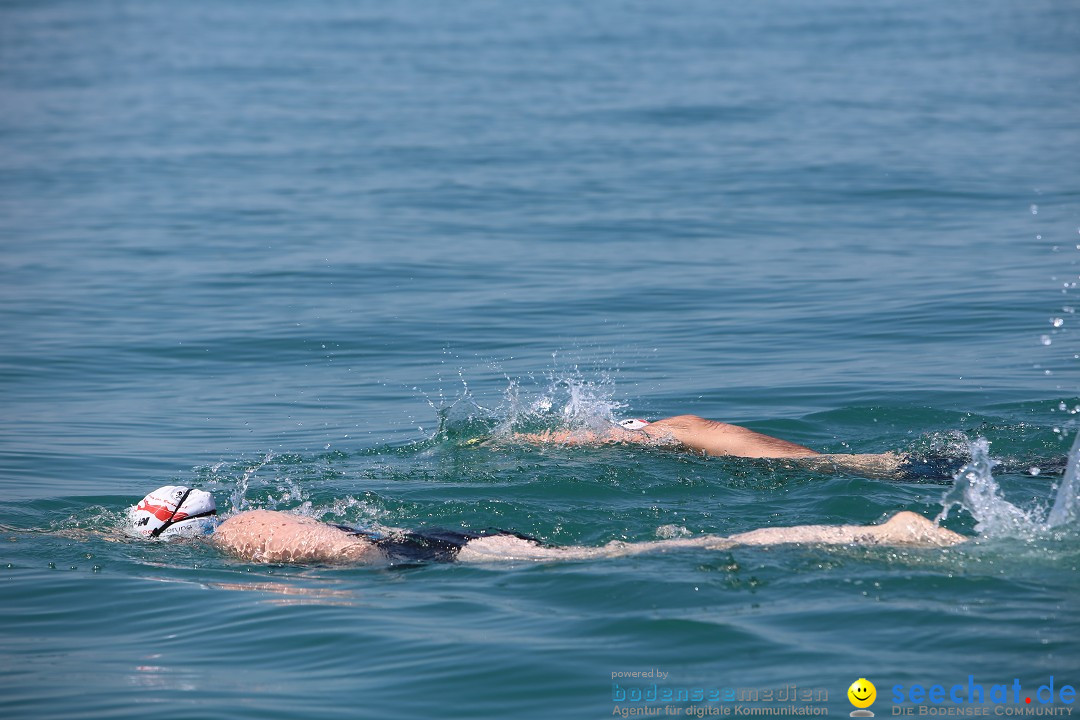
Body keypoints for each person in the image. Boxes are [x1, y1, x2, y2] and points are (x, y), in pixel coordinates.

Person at [130, 485, 966, 566]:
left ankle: (877, 531)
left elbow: (350, 558)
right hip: (438, 541)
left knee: (661, 549)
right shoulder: (238, 523)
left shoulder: (245, 534)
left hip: (447, 558)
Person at [508, 414, 953, 478]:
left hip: (845, 469)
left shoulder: (672, 431)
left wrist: (521, 440)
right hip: (859, 462)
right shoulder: (696, 424)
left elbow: (597, 438)